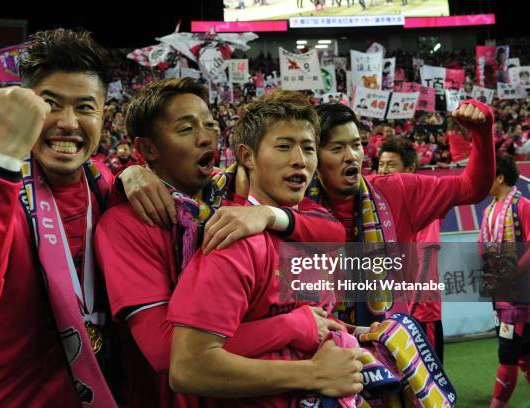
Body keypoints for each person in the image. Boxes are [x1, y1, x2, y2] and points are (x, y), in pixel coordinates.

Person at [96, 81, 350, 406]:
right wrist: (292, 327)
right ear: (148, 149)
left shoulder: (225, 191)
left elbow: (332, 232)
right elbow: (169, 354)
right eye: (186, 128)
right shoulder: (124, 225)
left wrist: (270, 215)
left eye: (210, 125)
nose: (206, 137)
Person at [0, 28, 117, 407]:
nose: (68, 122)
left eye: (85, 107)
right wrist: (0, 162)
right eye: (51, 103)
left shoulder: (106, 185)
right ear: (26, 107)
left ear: (104, 115)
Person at [166, 90, 363, 407]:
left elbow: (311, 319)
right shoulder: (233, 240)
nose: (299, 159)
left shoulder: (306, 228)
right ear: (247, 156)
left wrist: (351, 334)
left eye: (308, 148)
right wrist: (313, 374)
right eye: (284, 146)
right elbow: (188, 368)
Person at [311, 100, 494, 326]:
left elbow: (472, 187)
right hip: (321, 353)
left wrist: (482, 132)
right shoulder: (293, 210)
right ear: (313, 156)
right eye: (337, 148)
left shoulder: (397, 191)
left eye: (356, 144)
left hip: (390, 347)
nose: (351, 156)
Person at [378, 138, 444, 363]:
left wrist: (410, 308)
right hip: (394, 311)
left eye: (390, 164)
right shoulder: (379, 206)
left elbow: (426, 259)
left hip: (420, 313)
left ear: (410, 169)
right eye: (381, 164)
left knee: (428, 382)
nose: (383, 171)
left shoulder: (424, 203)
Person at [479, 155, 530, 408]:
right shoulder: (488, 210)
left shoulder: (524, 205)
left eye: (487, 174)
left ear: (500, 177)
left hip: (520, 295)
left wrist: (510, 273)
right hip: (500, 295)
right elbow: (482, 247)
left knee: (508, 354)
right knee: (523, 355)